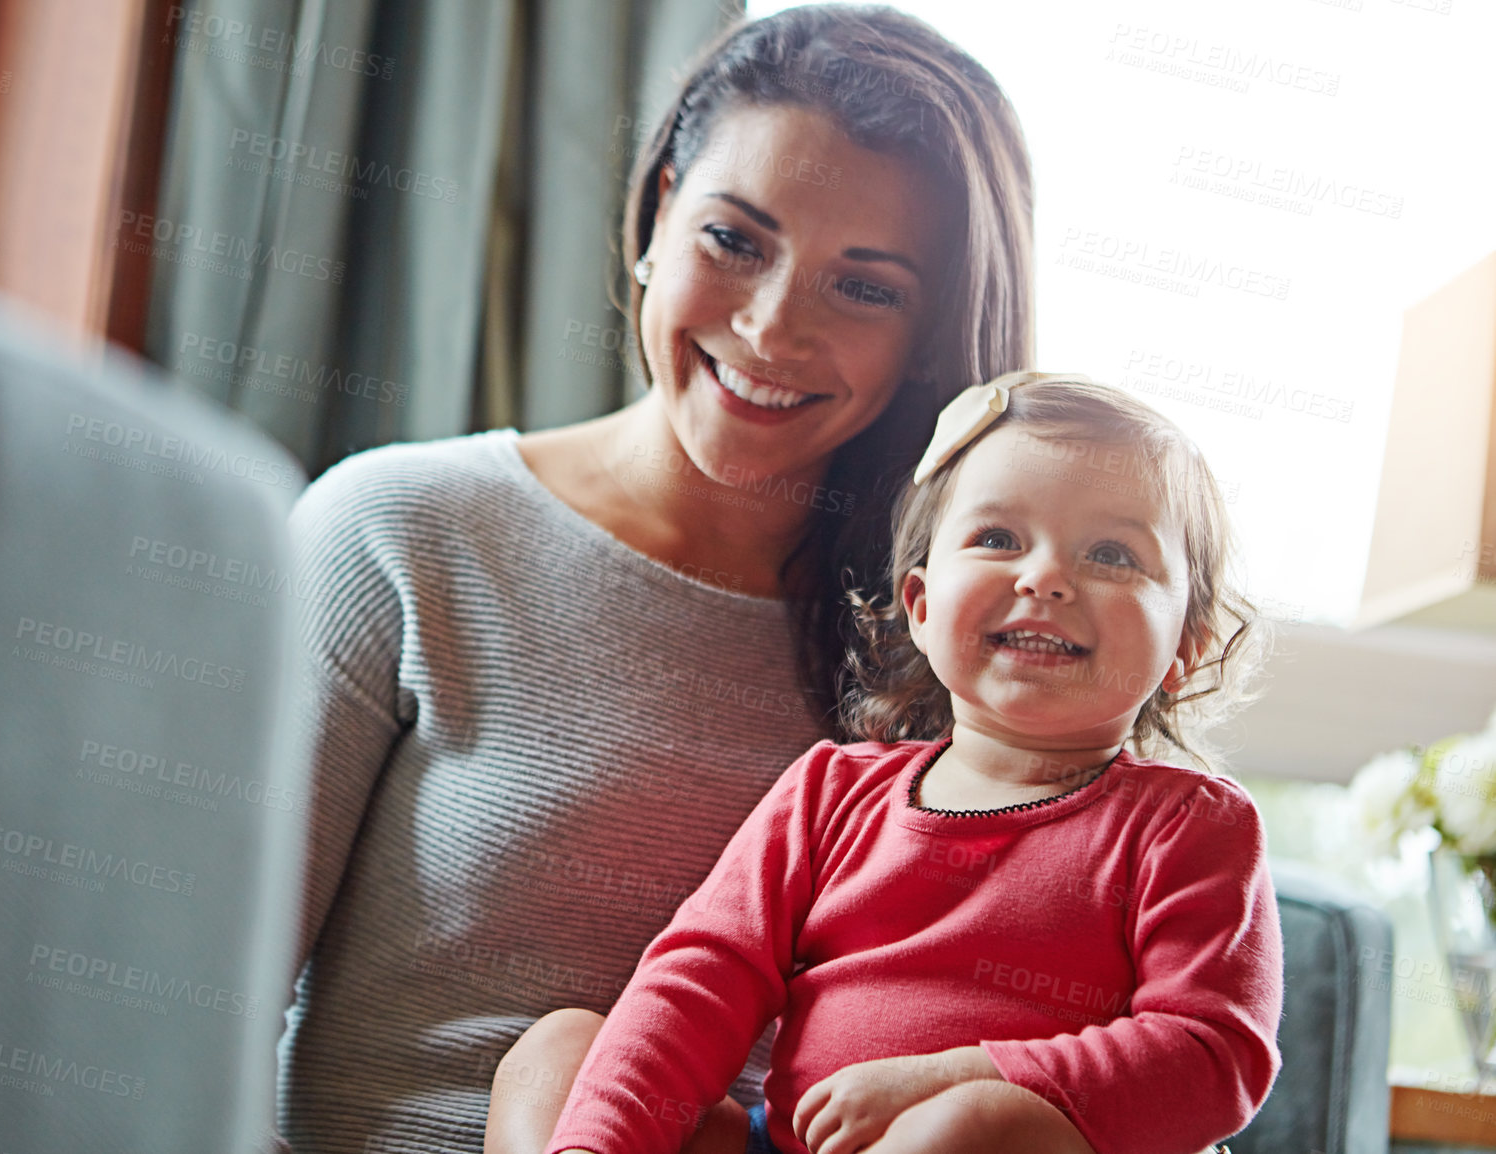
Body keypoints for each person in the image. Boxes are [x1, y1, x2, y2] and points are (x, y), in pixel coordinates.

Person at [281, 6, 1035, 1151]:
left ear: (930, 332)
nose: (771, 326)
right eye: (734, 239)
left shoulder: (962, 647)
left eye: (864, 287)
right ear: (659, 208)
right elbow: (172, 1018)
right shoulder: (398, 535)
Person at [487, 374, 1281, 1154]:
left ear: (1186, 647)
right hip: (788, 1141)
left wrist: (960, 1079)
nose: (1045, 578)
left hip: (1004, 1138)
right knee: (557, 1056)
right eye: (998, 539)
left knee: (976, 1126)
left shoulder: (1191, 827)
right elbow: (704, 976)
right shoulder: (829, 791)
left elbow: (1214, 1054)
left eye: (1112, 554)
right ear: (923, 606)